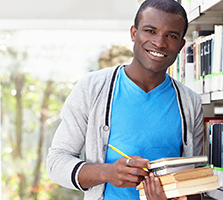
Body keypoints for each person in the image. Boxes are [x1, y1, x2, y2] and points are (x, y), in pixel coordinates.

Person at [46, 0, 204, 199]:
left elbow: (197, 183)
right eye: (150, 31)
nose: (159, 42)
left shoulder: (190, 103)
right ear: (133, 33)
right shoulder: (91, 88)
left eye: (171, 36)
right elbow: (56, 162)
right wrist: (107, 172)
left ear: (181, 45)